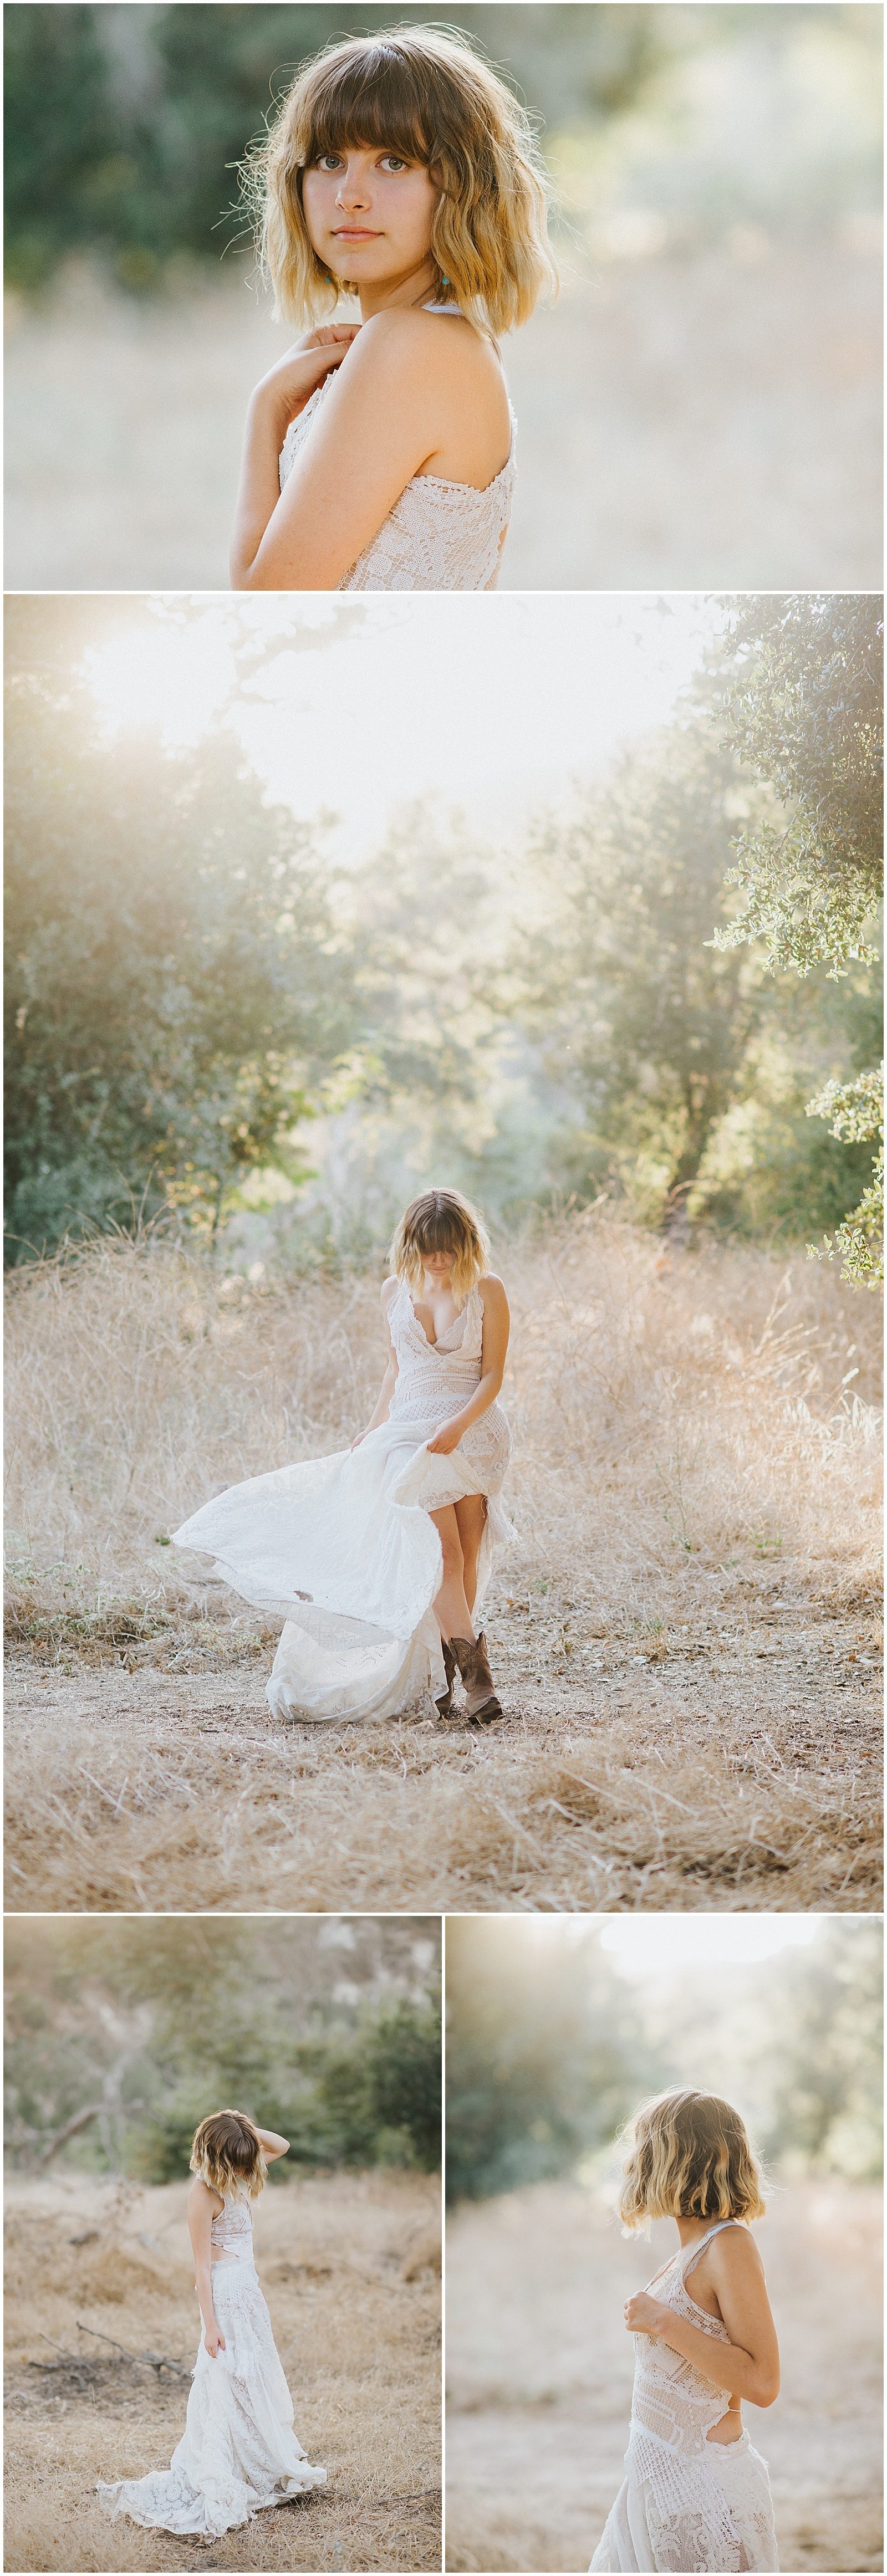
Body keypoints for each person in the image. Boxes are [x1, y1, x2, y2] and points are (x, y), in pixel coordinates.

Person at [230, 26, 555, 592]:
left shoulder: (407, 345)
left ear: (461, 185)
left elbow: (263, 602)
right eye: (329, 159)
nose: (349, 195)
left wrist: (267, 411)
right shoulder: (457, 343)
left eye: (394, 162)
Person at [173, 1187, 513, 1725]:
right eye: (429, 1248)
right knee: (442, 1556)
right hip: (409, 1437)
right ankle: (480, 1687)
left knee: (470, 1555)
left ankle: (450, 1678)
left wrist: (459, 1424)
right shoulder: (392, 1292)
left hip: (471, 1435)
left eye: (448, 1248)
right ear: (411, 1244)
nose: (439, 1259)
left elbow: (492, 1374)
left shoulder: (487, 1290)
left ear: (465, 1244)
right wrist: (372, 1428)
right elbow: (395, 1369)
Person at [97, 2109, 325, 2539]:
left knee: (252, 2376)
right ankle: (227, 2468)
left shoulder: (239, 2171)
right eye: (237, 2159)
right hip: (224, 2298)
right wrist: (210, 2326)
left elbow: (282, 2146)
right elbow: (201, 2268)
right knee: (227, 2380)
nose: (246, 2166)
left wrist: (239, 2126)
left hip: (249, 2294)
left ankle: (255, 2458)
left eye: (246, 2159)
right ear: (217, 2157)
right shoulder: (203, 2194)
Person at [589, 2089, 780, 2574]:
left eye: (645, 2150)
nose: (635, 2162)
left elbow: (762, 2384)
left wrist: (663, 2322)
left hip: (706, 2491)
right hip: (654, 2484)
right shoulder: (686, 2253)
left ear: (676, 2160)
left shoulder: (729, 2245)